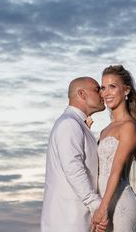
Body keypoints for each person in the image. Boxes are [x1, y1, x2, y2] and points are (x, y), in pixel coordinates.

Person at [92, 65, 136, 232]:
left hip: (121, 203)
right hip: (102, 201)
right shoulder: (104, 130)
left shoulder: (129, 127)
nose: (106, 93)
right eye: (103, 87)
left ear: (126, 90)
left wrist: (103, 208)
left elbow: (115, 170)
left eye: (112, 86)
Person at [41, 76, 109, 232]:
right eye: (97, 89)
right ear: (82, 94)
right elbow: (73, 168)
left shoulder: (75, 124)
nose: (102, 94)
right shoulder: (69, 124)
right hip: (68, 220)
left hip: (76, 218)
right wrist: (96, 204)